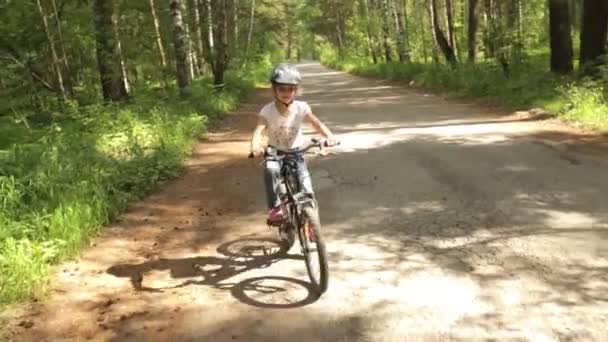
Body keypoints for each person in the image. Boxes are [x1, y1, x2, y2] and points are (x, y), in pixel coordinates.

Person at [250, 63, 338, 223]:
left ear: (296, 90)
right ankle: (275, 208)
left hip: (296, 152)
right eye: (282, 89)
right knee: (270, 170)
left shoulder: (301, 107)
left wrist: (329, 136)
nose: (286, 93)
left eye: (290, 89)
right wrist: (255, 145)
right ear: (274, 90)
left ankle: (312, 223)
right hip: (275, 153)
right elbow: (258, 130)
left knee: (307, 187)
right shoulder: (267, 111)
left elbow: (316, 123)